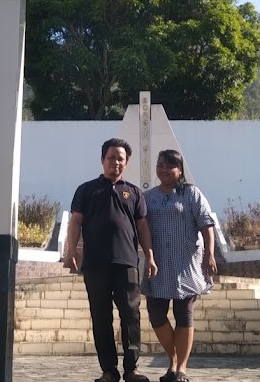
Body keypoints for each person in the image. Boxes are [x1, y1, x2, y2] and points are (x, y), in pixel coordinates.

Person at [65, 138, 158, 382]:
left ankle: (132, 368)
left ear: (126, 163)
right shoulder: (86, 190)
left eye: (120, 158)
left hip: (126, 263)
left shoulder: (134, 192)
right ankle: (108, 370)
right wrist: (70, 251)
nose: (115, 162)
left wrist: (149, 256)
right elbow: (75, 221)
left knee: (131, 314)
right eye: (111, 157)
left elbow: (142, 226)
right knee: (101, 316)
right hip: (95, 264)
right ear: (102, 159)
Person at [141, 149, 217, 382]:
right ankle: (172, 359)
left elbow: (207, 224)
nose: (163, 169)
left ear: (180, 169)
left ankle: (180, 368)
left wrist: (210, 255)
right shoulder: (148, 196)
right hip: (157, 265)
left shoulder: (191, 194)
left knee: (184, 314)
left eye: (169, 165)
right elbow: (141, 226)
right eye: (160, 165)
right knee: (156, 314)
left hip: (186, 265)